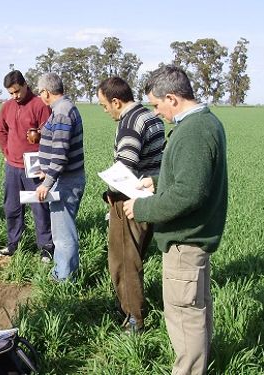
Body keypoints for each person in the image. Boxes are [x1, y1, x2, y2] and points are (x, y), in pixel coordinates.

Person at [123, 65, 228, 374]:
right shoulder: (203, 124)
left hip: (186, 241)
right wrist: (157, 181)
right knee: (195, 313)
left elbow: (189, 193)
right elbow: (190, 178)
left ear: (172, 98)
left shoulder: (195, 131)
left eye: (157, 105)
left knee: (184, 319)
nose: (157, 113)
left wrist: (142, 209)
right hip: (194, 238)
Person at [97, 76, 165, 333]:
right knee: (135, 256)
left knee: (124, 261)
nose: (105, 111)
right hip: (151, 199)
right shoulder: (151, 117)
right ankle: (130, 308)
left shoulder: (130, 123)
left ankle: (133, 318)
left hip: (130, 202)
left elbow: (125, 163)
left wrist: (111, 192)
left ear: (116, 101)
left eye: (105, 105)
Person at [0, 70, 54, 260]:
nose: (15, 96)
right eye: (11, 93)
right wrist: (5, 152)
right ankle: (13, 245)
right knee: (11, 207)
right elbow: (0, 129)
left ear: (25, 85)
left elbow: (50, 133)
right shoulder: (7, 107)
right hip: (12, 166)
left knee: (39, 207)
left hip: (34, 165)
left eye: (17, 91)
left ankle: (46, 249)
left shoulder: (39, 105)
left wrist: (45, 161)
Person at [35, 72, 86, 281]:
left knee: (63, 235)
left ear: (46, 92)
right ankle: (63, 271)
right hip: (63, 178)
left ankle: (64, 279)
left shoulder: (62, 112)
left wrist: (47, 182)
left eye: (40, 93)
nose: (40, 96)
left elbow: (60, 153)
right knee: (61, 231)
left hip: (65, 182)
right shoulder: (62, 109)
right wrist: (46, 170)